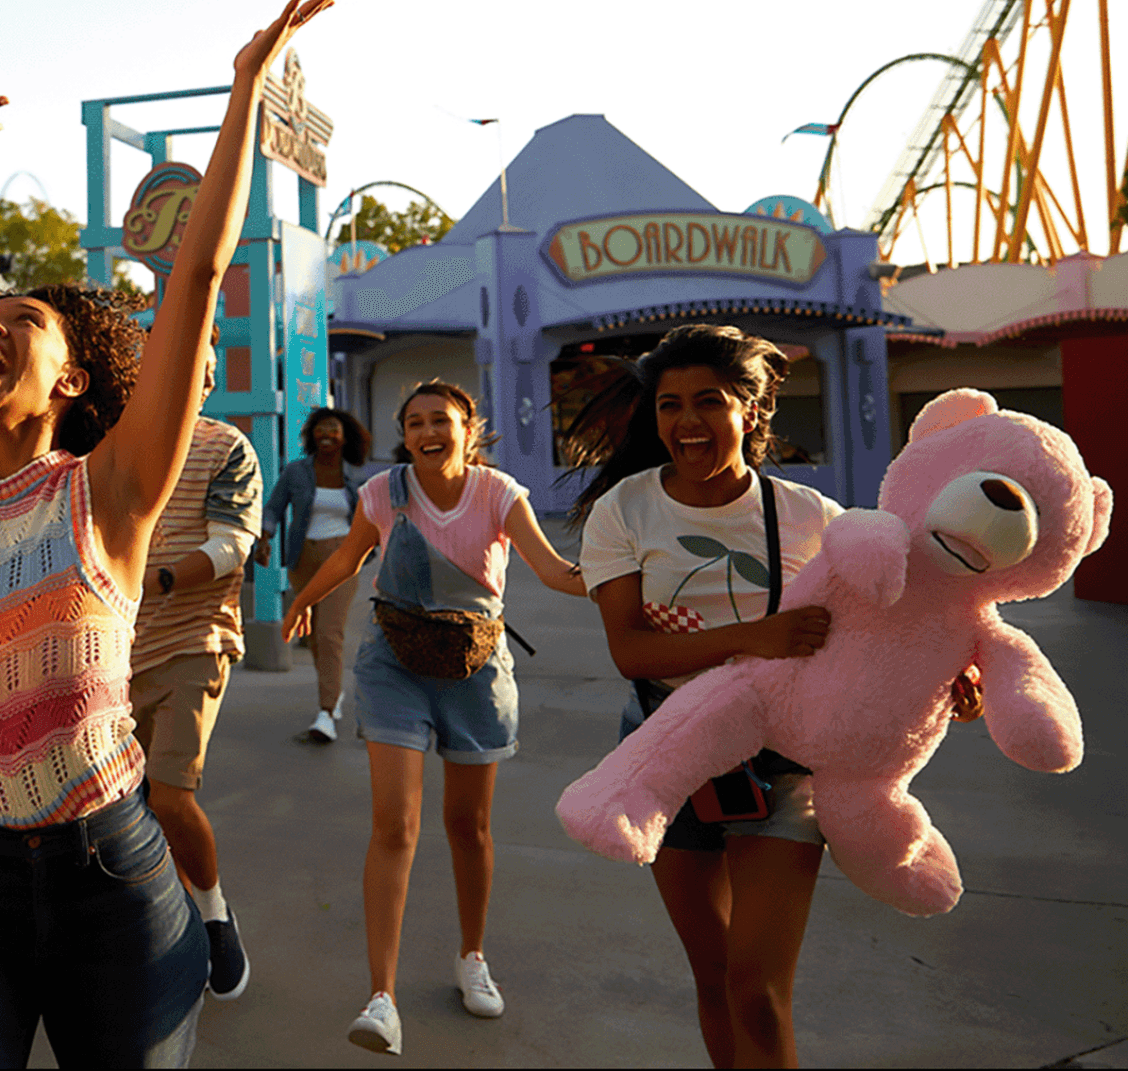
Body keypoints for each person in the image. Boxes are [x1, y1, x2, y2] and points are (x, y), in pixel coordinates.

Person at [0, 0, 349, 1068]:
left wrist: (245, 92)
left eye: (26, 322)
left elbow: (197, 273)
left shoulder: (110, 494)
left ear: (72, 380)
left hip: (109, 884)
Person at [563, 323, 981, 1070]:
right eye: (669, 405)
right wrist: (755, 637)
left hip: (784, 764)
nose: (686, 421)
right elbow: (630, 649)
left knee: (756, 989)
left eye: (709, 401)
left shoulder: (811, 517)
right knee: (715, 976)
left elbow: (886, 621)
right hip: (668, 750)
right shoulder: (623, 511)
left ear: (750, 411)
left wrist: (953, 674)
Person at [281, 380, 585, 1057]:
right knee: (396, 825)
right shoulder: (383, 493)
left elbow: (553, 569)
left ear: (467, 428)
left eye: (441, 420)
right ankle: (381, 998)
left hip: (476, 672)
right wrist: (301, 600)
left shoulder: (499, 494)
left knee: (468, 827)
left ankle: (472, 956)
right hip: (393, 666)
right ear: (405, 435)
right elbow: (349, 556)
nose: (428, 432)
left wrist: (624, 579)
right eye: (415, 422)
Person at [128, 330, 263, 1000]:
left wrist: (157, 579)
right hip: (110, 655)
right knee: (123, 810)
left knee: (170, 796)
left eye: (202, 369)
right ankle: (163, 919)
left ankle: (212, 914)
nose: (191, 378)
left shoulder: (226, 447)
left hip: (193, 640)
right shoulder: (109, 446)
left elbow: (234, 543)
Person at [261, 406, 371, 742]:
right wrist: (265, 538)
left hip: (341, 559)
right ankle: (332, 690)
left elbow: (374, 518)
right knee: (314, 636)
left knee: (329, 633)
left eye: (333, 429)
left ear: (345, 437)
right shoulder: (296, 472)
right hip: (303, 559)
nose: (326, 435)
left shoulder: (356, 478)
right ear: (312, 435)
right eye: (320, 429)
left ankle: (326, 714)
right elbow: (274, 507)